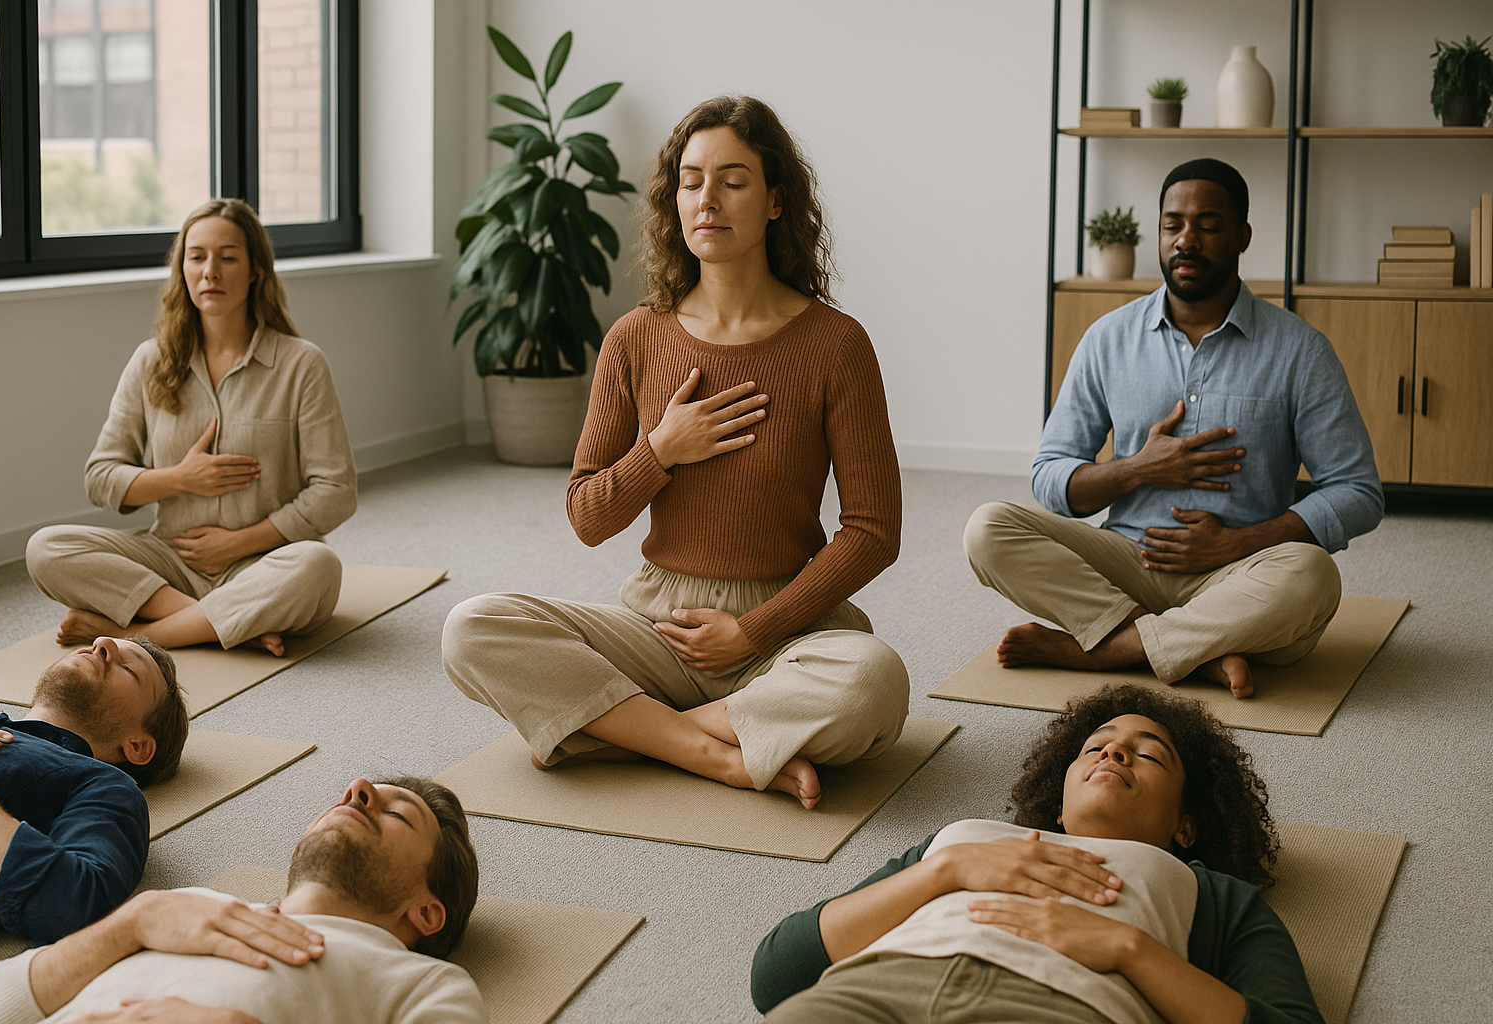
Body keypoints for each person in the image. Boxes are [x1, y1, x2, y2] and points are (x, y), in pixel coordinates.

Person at [442, 96, 908, 810]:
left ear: (777, 200)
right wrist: (661, 448)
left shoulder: (836, 345)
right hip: (658, 630)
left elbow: (874, 532)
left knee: (874, 680)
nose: (707, 200)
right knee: (471, 627)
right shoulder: (635, 337)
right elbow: (587, 516)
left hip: (785, 631)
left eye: (733, 179)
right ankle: (709, 750)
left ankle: (622, 733)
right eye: (691, 181)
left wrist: (751, 631)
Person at [966, 158, 1382, 698]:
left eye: (1207, 226)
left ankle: (1109, 649)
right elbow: (1052, 478)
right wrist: (1137, 469)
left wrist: (1234, 544)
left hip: (1238, 575)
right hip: (1125, 565)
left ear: (1242, 236)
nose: (1187, 239)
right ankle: (1190, 651)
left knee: (1313, 576)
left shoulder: (1300, 350)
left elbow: (1358, 492)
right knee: (987, 527)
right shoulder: (1107, 339)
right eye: (1172, 225)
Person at [751, 684, 1323, 1024]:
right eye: (1097, 745)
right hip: (870, 994)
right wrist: (943, 872)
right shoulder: (959, 837)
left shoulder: (1211, 894)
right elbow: (778, 973)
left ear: (1186, 827)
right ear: (1058, 799)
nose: (1116, 752)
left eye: (1148, 756)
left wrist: (1129, 949)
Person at [26, 198, 358, 658]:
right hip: (170, 563)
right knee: (46, 548)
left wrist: (238, 543)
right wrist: (180, 478)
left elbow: (336, 491)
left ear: (255, 269)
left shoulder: (301, 364)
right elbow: (100, 477)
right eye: (197, 256)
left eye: (228, 257)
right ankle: (219, 620)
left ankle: (145, 635)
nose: (210, 272)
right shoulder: (150, 360)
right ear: (182, 268)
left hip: (263, 563)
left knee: (318, 564)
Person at [0, 776, 484, 1024]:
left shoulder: (425, 984)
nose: (357, 788)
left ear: (426, 912)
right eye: (350, 795)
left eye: (398, 814)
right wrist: (132, 922)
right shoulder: (184, 907)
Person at [0, 636, 187, 947]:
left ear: (137, 745)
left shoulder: (105, 786)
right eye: (98, 642)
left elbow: (71, 905)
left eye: (130, 670)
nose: (100, 643)